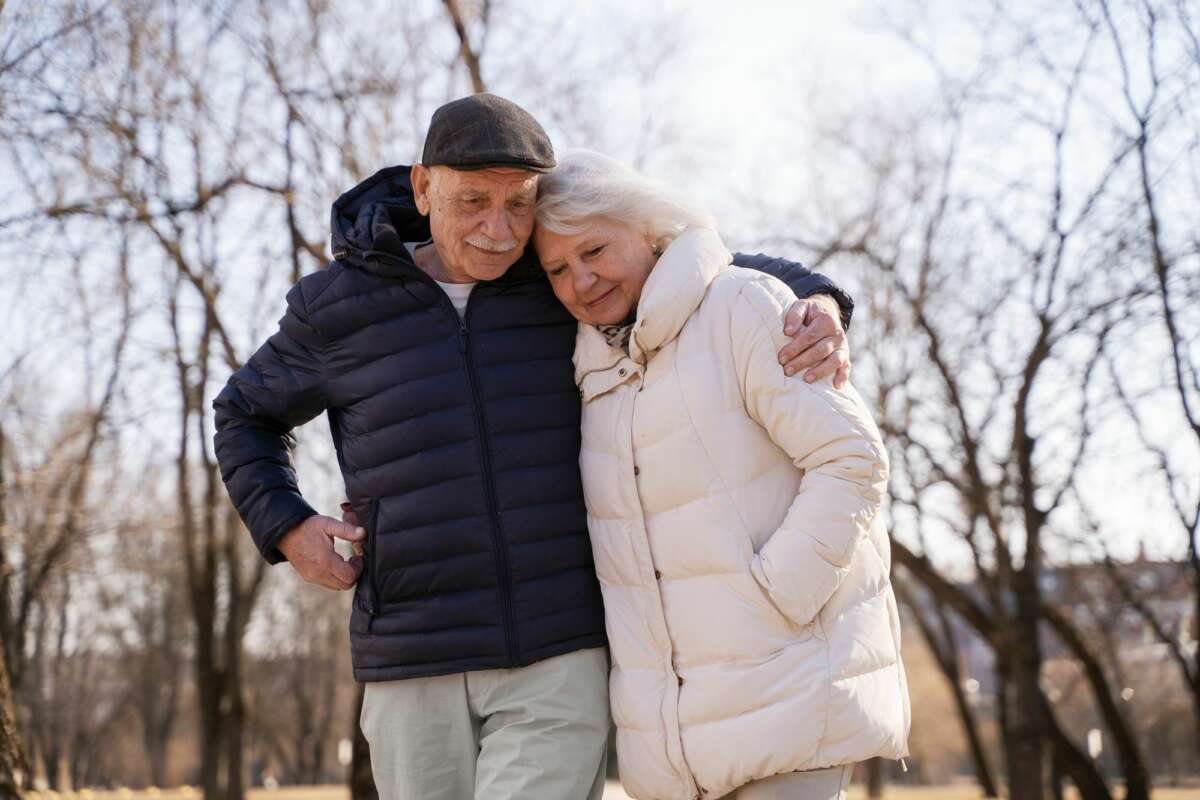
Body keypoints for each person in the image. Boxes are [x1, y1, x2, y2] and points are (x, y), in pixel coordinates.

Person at [213, 94, 854, 800]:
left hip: (558, 652)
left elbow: (697, 267)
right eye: (473, 201)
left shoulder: (557, 279)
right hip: (410, 653)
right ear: (423, 188)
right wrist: (287, 525)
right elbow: (244, 414)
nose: (498, 229)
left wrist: (817, 301)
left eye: (518, 204)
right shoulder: (338, 305)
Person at [533, 149, 910, 800]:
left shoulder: (742, 307)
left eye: (594, 251)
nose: (580, 281)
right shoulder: (592, 374)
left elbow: (851, 458)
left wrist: (773, 599)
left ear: (649, 229)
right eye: (558, 269)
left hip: (786, 705)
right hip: (675, 752)